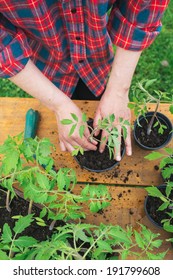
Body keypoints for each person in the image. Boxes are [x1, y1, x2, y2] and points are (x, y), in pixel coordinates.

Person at [0, 0, 169, 160]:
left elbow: (144, 7)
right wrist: (59, 105)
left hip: (95, 62)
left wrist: (118, 90)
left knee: (99, 109)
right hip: (45, 64)